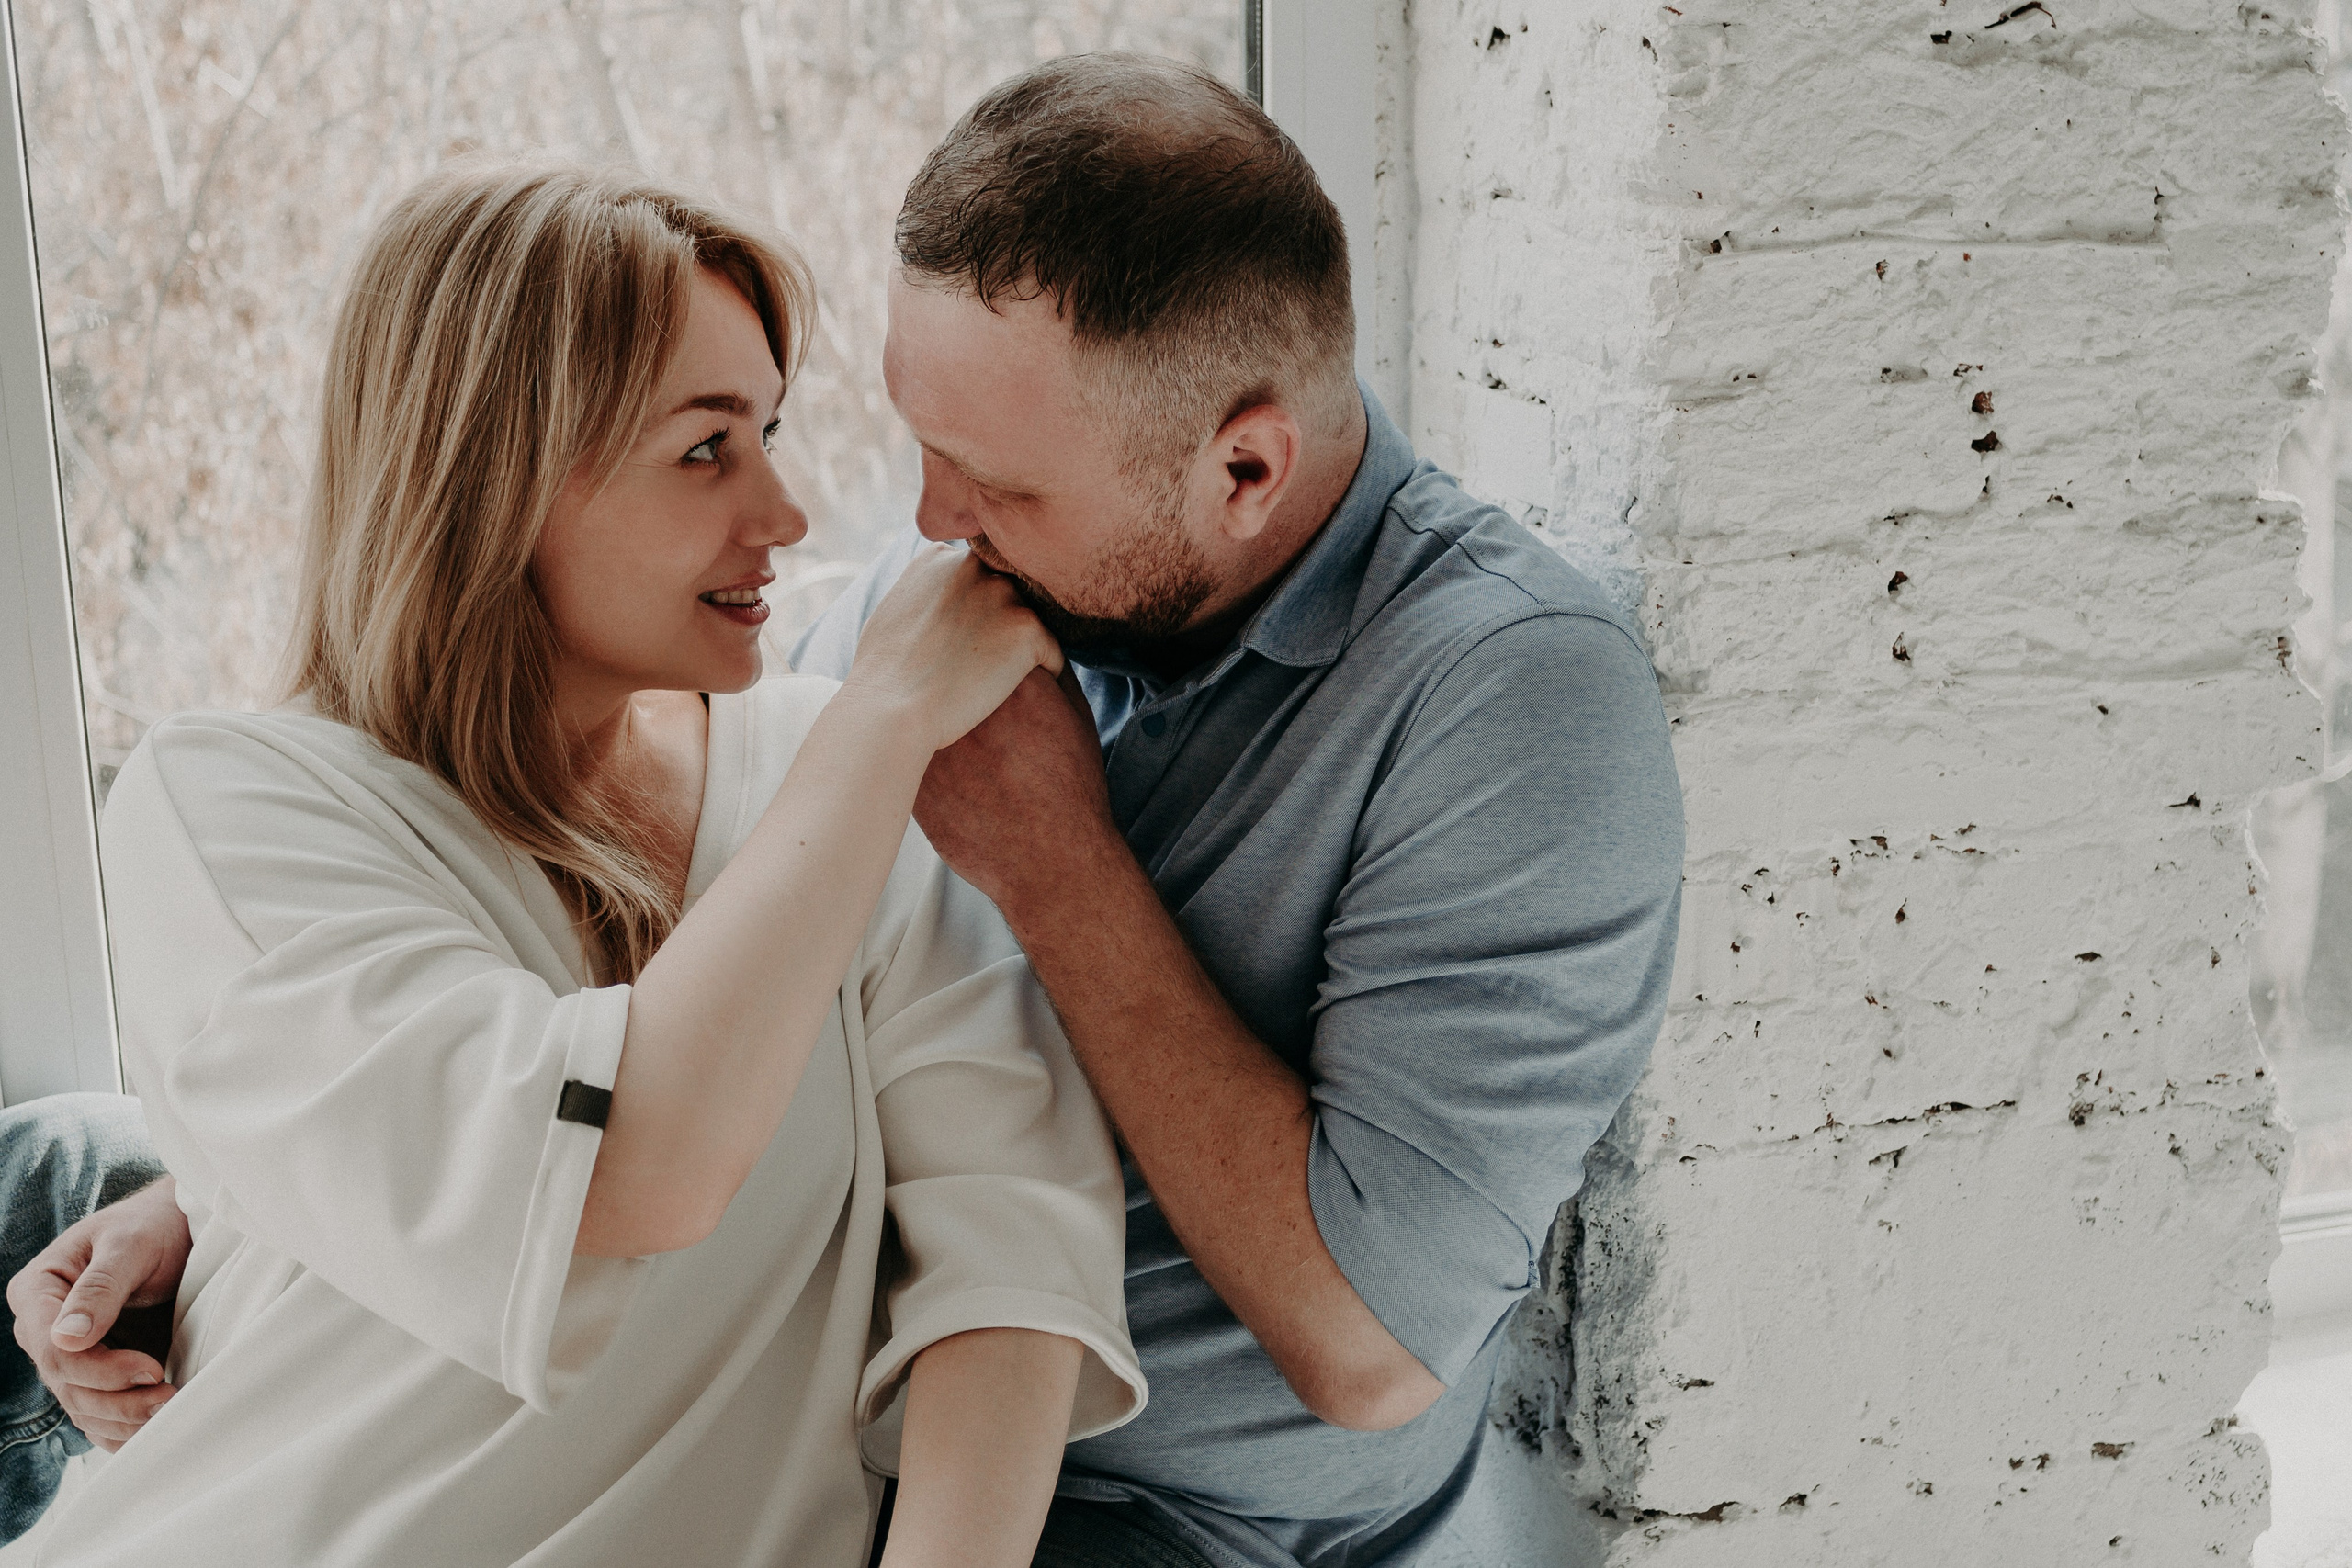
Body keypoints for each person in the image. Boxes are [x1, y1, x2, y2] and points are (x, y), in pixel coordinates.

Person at [14, 52, 1683, 1568]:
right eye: (903, 443)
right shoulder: (907, 631)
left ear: (1242, 472)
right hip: (707, 1428)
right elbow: (657, 1001)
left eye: (999, 484)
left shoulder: (1511, 697)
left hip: (1144, 1505)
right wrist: (252, 1172)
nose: (914, 525)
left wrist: (1048, 860)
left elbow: (1362, 1344)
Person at [3, 163, 1144, 1567]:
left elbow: (1009, 1258)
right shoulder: (232, 807)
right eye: (706, 448)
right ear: (495, 475)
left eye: (772, 431)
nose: (786, 514)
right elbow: (618, 1176)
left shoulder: (830, 782)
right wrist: (889, 719)